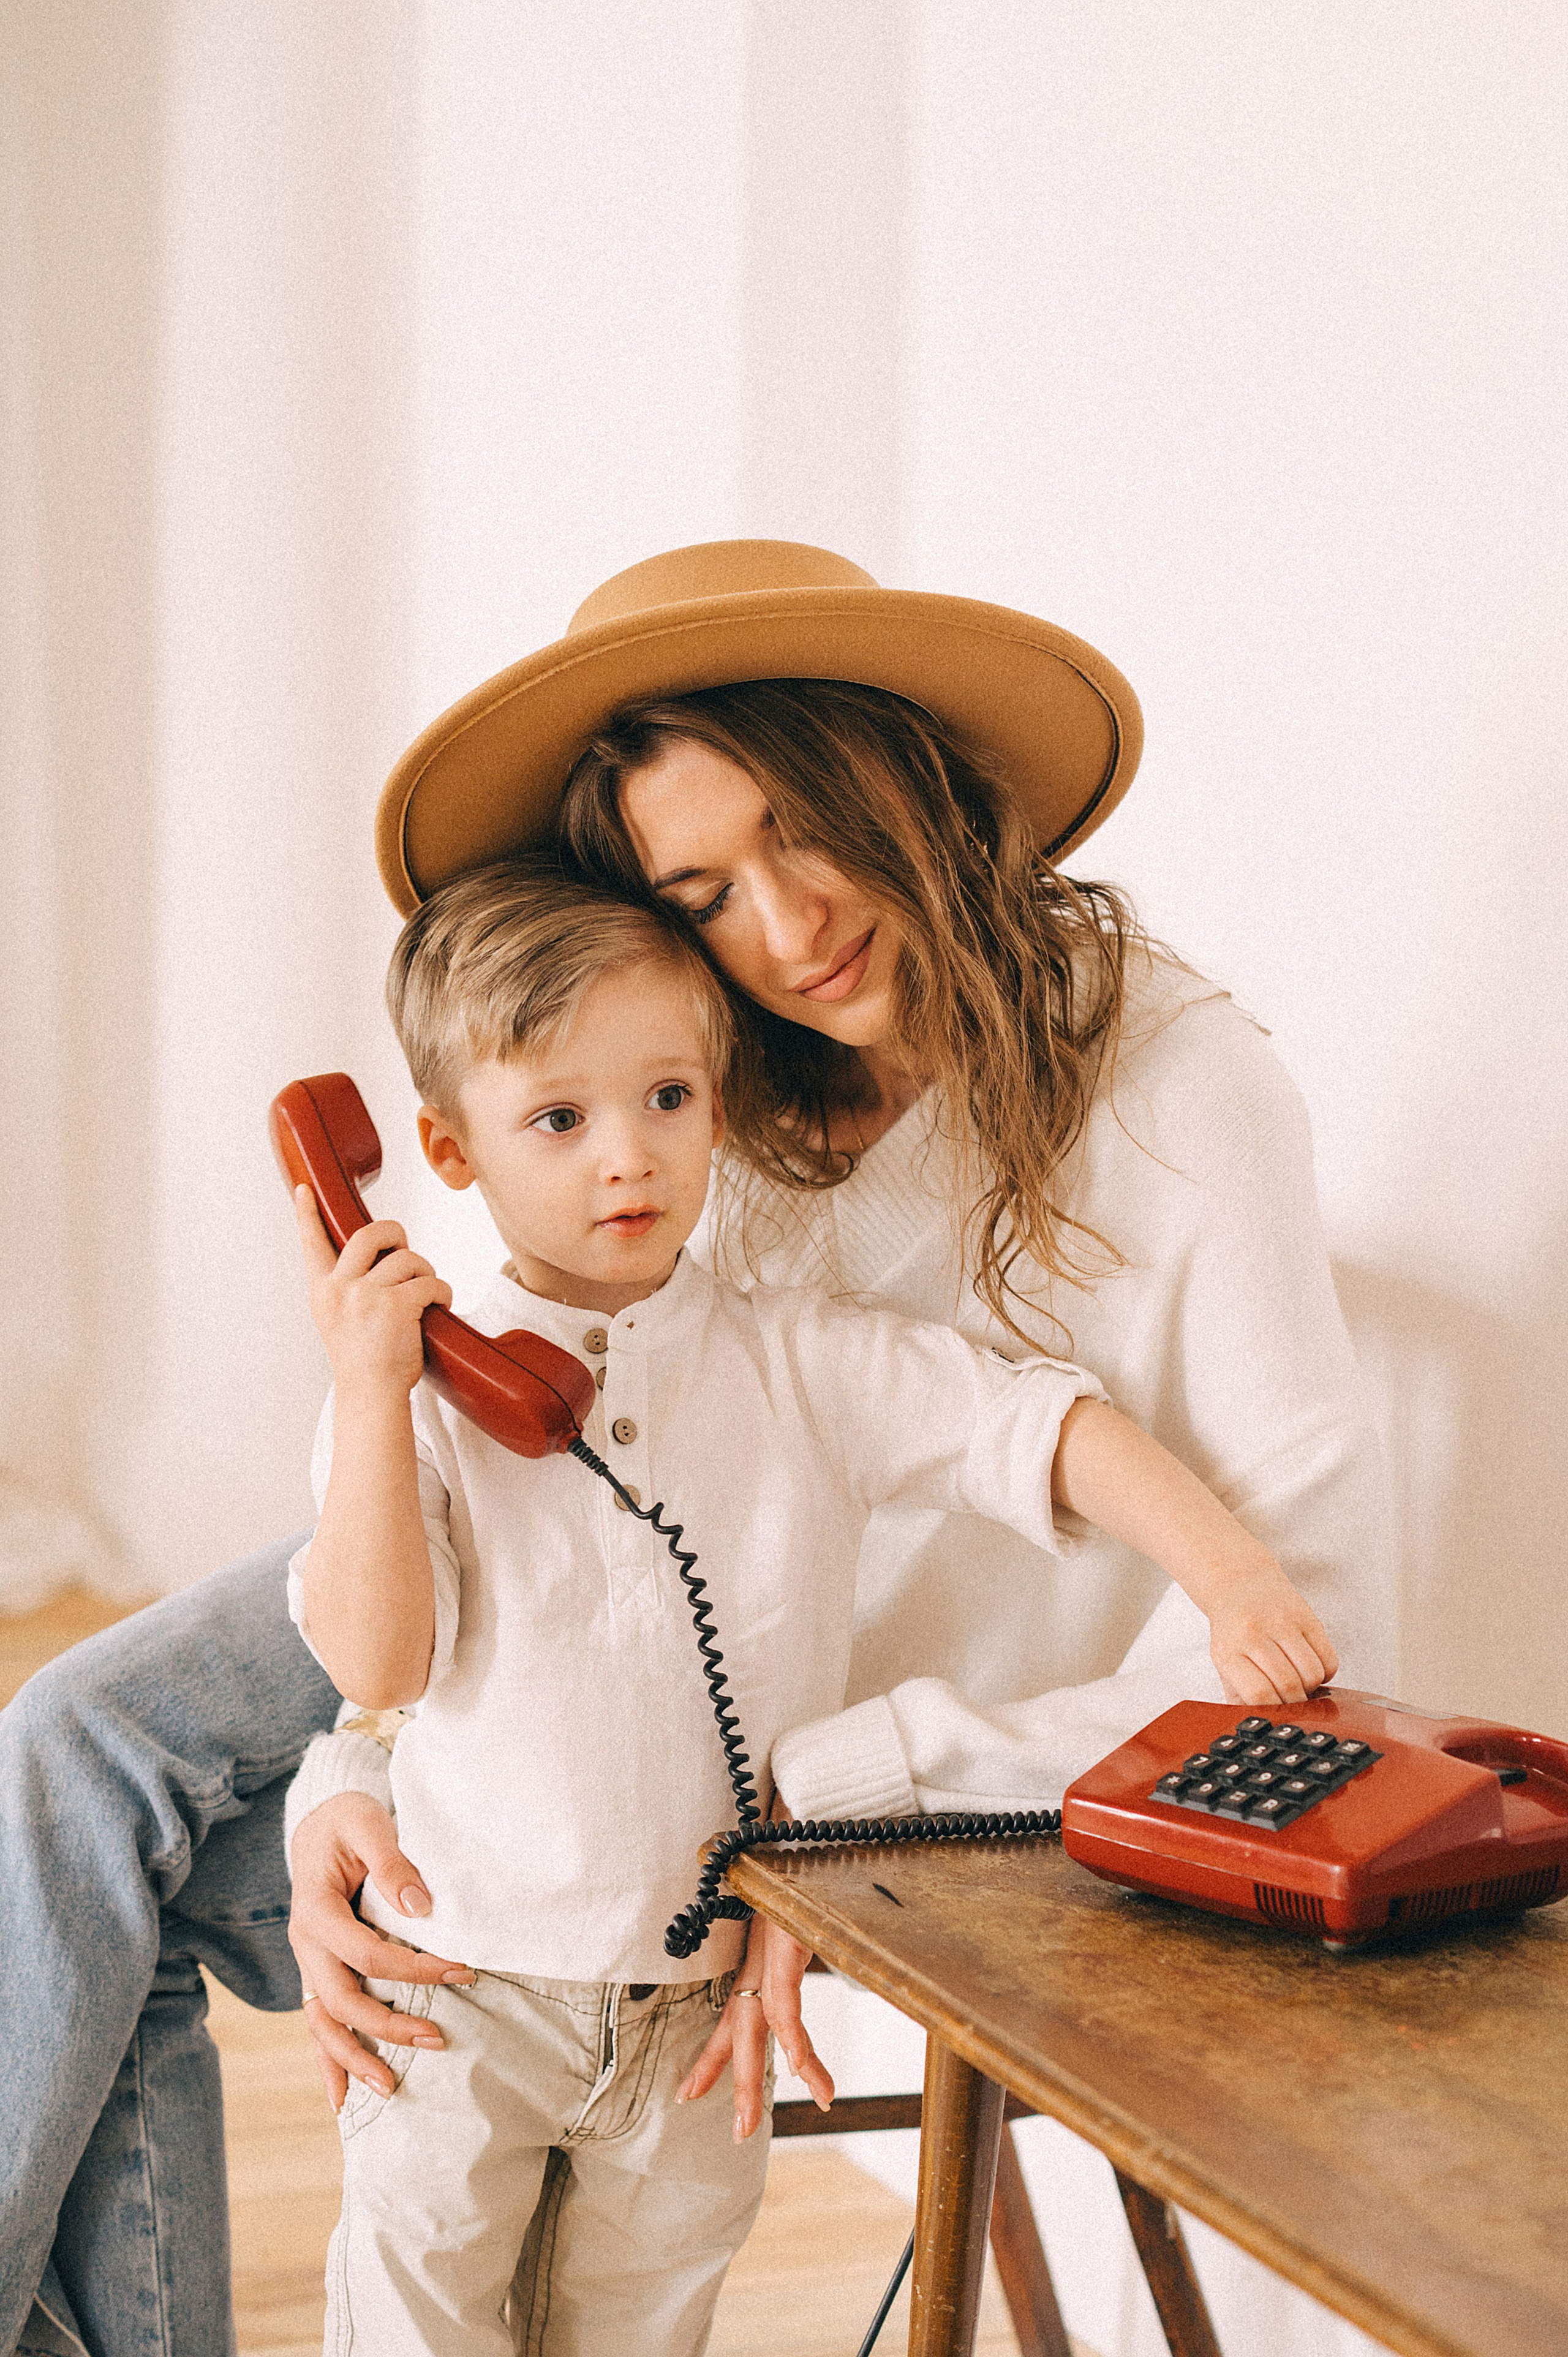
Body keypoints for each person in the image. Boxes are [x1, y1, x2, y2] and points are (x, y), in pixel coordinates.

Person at [0, 541, 1388, 2357]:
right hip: (552, 1585)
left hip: (764, 1731)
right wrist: (355, 1767)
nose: (791, 925)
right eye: (705, 893)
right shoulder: (732, 1064)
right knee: (76, 1750)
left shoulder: (1179, 1090)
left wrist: (845, 1792)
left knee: (121, 1839)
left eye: (811, 830)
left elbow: (1297, 1621)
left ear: (916, 787)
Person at [287, 856, 1333, 2354]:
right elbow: (380, 1655)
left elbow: (1035, 1426)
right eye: (558, 1120)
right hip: (462, 1989)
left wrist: (1228, 1573)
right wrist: (374, 1400)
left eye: (667, 1097)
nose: (626, 1159)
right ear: (449, 1154)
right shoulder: (413, 1403)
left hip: (694, 2018)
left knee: (641, 2330)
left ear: (718, 1102)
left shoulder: (800, 1361)